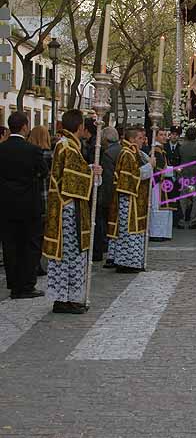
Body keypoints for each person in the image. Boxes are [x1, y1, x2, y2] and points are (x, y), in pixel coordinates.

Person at [43, 109, 101, 314]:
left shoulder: (68, 145)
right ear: (80, 128)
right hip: (67, 210)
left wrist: (90, 170)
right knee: (68, 255)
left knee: (72, 255)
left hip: (70, 208)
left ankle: (69, 297)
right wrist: (91, 172)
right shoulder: (67, 146)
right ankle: (64, 299)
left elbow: (74, 171)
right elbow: (69, 180)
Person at [0, 111, 48, 299]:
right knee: (31, 244)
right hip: (29, 205)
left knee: (10, 245)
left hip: (6, 204)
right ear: (25, 127)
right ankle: (27, 284)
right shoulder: (32, 150)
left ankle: (13, 284)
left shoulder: (1, 149)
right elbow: (43, 172)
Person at [107, 127, 153, 272]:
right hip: (129, 199)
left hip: (136, 199)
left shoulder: (135, 152)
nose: (143, 141)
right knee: (128, 231)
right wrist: (149, 166)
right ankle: (126, 262)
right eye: (140, 138)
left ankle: (132, 261)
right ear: (132, 139)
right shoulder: (126, 153)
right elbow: (131, 177)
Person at [28, 125, 53, 276]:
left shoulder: (28, 153)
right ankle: (39, 262)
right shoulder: (49, 154)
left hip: (31, 196)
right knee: (41, 233)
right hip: (46, 196)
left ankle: (33, 263)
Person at [100, 127, 122, 268]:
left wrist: (106, 200)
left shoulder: (108, 154)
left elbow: (108, 179)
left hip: (113, 194)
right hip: (123, 192)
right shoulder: (123, 150)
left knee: (111, 226)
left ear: (105, 139)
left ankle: (111, 255)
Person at [149, 128, 176, 241]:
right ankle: (156, 234)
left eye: (165, 135)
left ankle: (164, 233)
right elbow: (157, 169)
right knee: (157, 208)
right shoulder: (155, 150)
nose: (164, 137)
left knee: (165, 209)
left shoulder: (161, 149)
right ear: (155, 136)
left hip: (164, 184)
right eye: (161, 135)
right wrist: (173, 169)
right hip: (157, 185)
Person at [178, 126, 196, 230]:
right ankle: (193, 221)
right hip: (195, 175)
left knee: (183, 198)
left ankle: (181, 220)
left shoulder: (181, 147)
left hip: (184, 174)